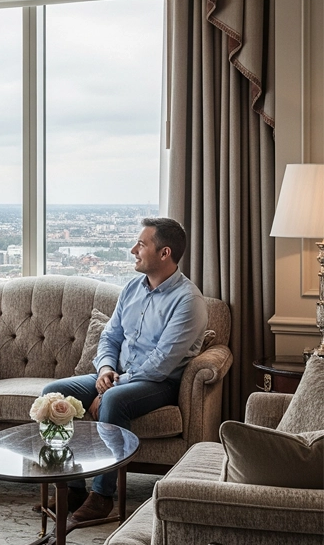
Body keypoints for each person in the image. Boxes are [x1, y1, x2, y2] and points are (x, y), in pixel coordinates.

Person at [42, 217, 208, 527]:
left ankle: (103, 495)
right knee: (52, 394)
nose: (133, 249)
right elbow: (111, 336)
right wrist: (105, 369)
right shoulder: (132, 287)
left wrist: (108, 389)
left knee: (115, 401)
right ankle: (73, 487)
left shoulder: (188, 301)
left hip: (158, 383)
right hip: (116, 375)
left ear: (164, 253)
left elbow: (161, 363)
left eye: (141, 244)